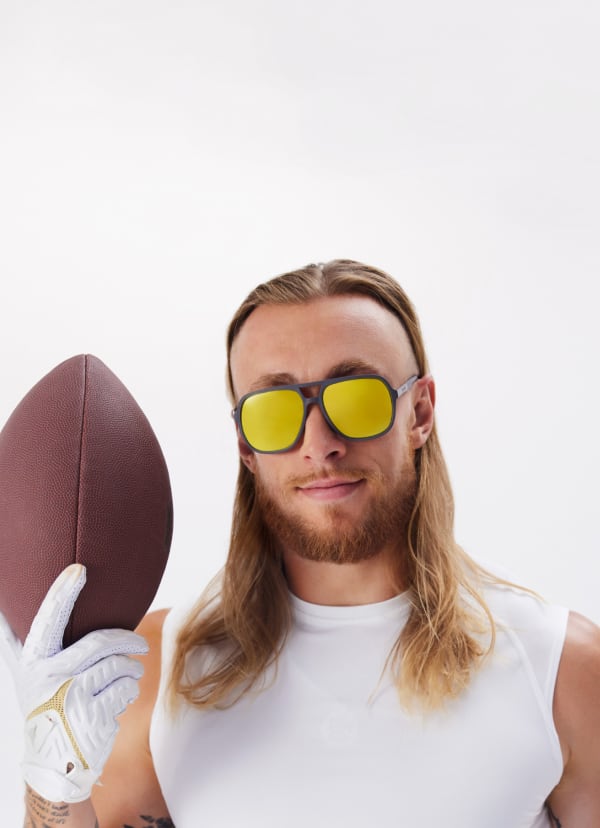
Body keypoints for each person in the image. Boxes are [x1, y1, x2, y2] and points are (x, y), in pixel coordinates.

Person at [1, 259, 599, 827]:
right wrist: (54, 783)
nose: (320, 443)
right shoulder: (154, 671)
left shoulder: (560, 669)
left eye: (357, 397)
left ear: (420, 412)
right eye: (273, 410)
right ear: (244, 446)